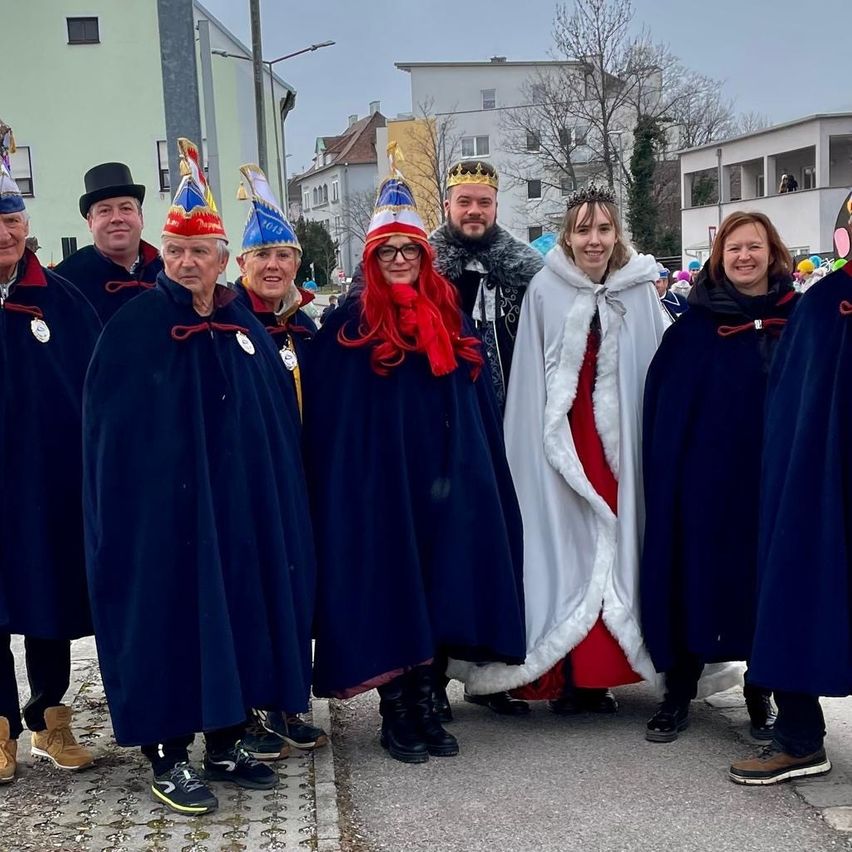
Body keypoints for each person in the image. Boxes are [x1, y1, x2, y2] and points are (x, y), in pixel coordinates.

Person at [83, 139, 315, 814]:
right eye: (177, 252)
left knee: (235, 618)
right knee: (170, 626)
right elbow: (109, 441)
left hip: (235, 516)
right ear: (165, 253)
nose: (188, 264)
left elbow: (270, 424)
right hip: (162, 521)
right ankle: (167, 756)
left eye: (201, 253)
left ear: (222, 259)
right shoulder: (135, 329)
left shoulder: (241, 325)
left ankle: (224, 741)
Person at [303, 159, 526, 764]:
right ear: (371, 260)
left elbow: (472, 399)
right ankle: (397, 709)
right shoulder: (348, 325)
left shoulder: (448, 316)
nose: (400, 259)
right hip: (382, 488)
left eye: (409, 250)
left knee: (438, 587)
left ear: (424, 256)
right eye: (387, 251)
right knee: (392, 591)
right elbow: (333, 418)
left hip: (445, 483)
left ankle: (427, 699)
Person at [452, 185, 668, 712]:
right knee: (563, 550)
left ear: (617, 233)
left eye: (603, 229)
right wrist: (527, 450)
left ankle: (600, 678)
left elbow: (658, 370)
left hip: (620, 449)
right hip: (564, 447)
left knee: (618, 547)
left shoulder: (639, 290)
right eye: (582, 229)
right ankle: (562, 675)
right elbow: (528, 378)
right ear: (568, 236)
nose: (593, 240)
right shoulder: (547, 290)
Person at [641, 211, 798, 744]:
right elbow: (664, 410)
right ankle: (678, 692)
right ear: (719, 258)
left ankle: (763, 690)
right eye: (733, 249)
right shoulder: (693, 328)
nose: (744, 257)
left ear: (772, 253)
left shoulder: (797, 319)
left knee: (765, 584)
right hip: (705, 486)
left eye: (753, 247)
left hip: (772, 482)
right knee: (695, 580)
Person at [728, 191, 852, 786]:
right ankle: (800, 737)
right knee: (799, 591)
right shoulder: (825, 305)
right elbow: (794, 410)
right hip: (820, 487)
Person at [0, 121, 100, 784]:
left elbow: (96, 388)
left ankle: (48, 717)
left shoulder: (60, 300)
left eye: (13, 219)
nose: (6, 233)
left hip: (48, 484)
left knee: (49, 597)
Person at [429, 158, 542, 718]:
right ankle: (434, 677)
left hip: (510, 427)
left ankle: (495, 673)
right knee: (447, 555)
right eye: (464, 202)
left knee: (502, 553)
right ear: (447, 206)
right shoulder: (421, 266)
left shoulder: (526, 270)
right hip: (445, 433)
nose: (474, 211)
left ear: (497, 208)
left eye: (484, 203)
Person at [232, 164, 326, 754]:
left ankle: (289, 700)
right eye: (261, 254)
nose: (273, 265)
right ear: (241, 264)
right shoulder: (229, 324)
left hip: (302, 483)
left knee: (296, 592)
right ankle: (244, 709)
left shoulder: (306, 327)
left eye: (283, 255)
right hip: (248, 485)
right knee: (251, 592)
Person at [54, 162, 162, 324]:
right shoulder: (64, 282)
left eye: (126, 208)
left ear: (141, 218)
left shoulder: (168, 272)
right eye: (105, 211)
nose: (117, 218)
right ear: (90, 222)